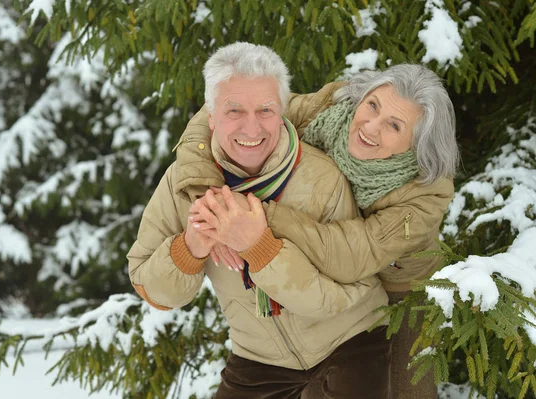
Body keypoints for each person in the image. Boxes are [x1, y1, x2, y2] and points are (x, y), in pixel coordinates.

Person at [127, 42, 391, 398]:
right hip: (259, 358)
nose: (252, 129)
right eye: (234, 110)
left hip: (351, 338)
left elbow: (346, 294)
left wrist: (260, 248)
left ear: (282, 110)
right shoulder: (185, 185)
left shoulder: (321, 177)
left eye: (265, 110)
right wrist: (192, 246)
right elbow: (151, 290)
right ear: (210, 115)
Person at [180, 63, 458, 399]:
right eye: (372, 105)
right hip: (314, 265)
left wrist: (256, 216)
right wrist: (211, 198)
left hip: (398, 288)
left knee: (405, 390)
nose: (370, 126)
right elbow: (216, 114)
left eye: (394, 125)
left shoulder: (427, 191)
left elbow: (355, 254)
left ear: (416, 142)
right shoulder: (324, 109)